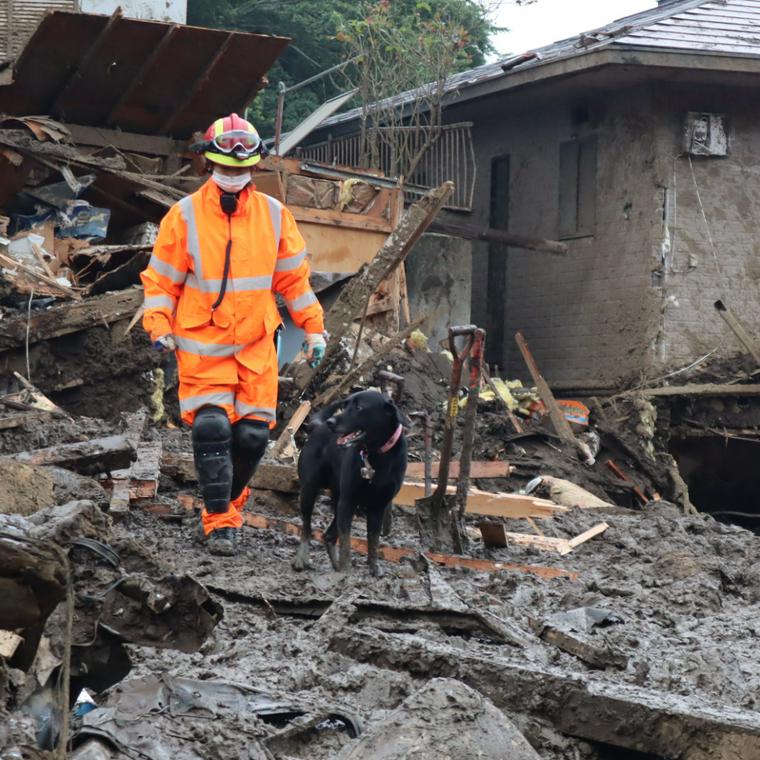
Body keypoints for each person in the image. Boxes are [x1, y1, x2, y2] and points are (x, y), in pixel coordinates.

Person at [140, 113, 326, 556]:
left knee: (251, 438)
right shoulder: (183, 217)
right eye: (225, 168)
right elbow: (162, 282)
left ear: (253, 168)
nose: (233, 176)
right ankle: (219, 519)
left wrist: (315, 330)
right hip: (201, 347)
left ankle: (231, 497)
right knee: (210, 428)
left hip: (256, 348)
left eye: (241, 170)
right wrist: (158, 324)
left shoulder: (275, 217)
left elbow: (293, 283)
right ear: (209, 165)